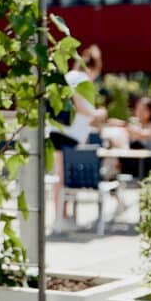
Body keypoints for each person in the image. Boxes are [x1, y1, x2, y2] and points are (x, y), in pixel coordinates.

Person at [47, 45, 107, 220]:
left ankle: (61, 214)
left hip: (56, 129)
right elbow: (82, 108)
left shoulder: (68, 77)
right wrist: (99, 114)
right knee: (65, 177)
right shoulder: (83, 80)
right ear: (93, 68)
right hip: (71, 135)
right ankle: (62, 215)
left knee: (60, 175)